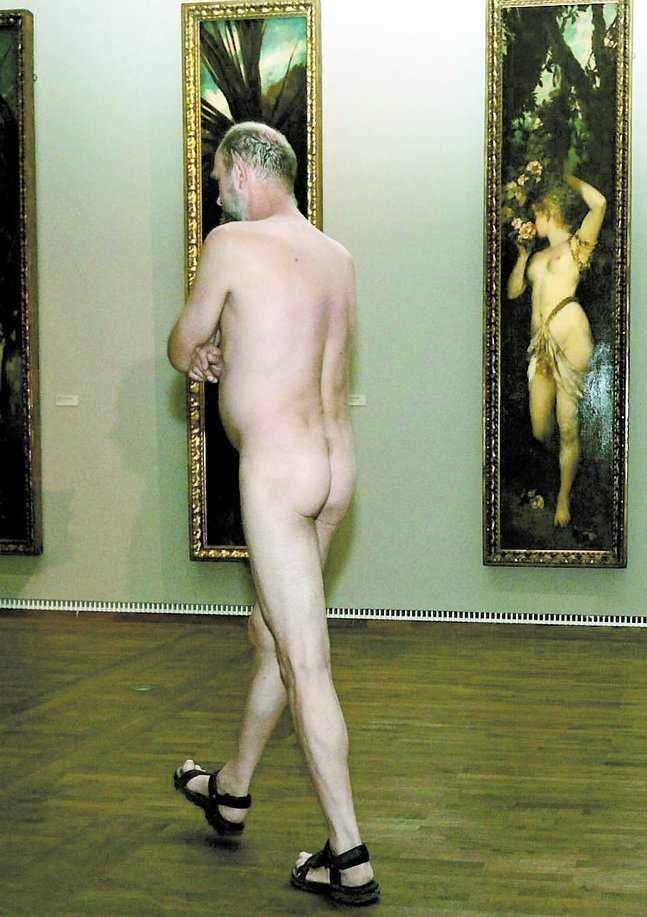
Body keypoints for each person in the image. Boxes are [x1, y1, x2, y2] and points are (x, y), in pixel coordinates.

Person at [167, 122, 379, 904]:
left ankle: (349, 854)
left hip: (280, 472)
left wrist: (200, 352)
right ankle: (232, 787)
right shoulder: (336, 255)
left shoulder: (231, 243)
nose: (217, 192)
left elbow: (183, 343)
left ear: (245, 175)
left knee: (305, 661)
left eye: (219, 177)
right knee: (273, 635)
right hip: (335, 466)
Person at [506, 173, 605, 527]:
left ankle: (563, 499)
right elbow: (514, 293)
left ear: (549, 212)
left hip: (570, 336)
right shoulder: (536, 257)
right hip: (541, 346)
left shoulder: (577, 247)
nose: (534, 222)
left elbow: (599, 204)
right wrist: (522, 256)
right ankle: (557, 476)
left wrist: (566, 177)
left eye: (537, 214)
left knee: (568, 425)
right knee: (540, 428)